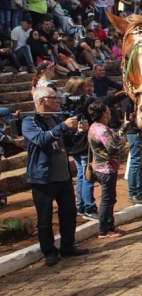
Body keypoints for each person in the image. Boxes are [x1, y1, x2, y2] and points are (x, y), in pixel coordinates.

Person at [23, 87, 90, 266]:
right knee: (44, 218)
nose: (57, 101)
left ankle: (68, 246)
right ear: (42, 100)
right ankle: (49, 251)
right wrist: (64, 126)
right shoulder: (30, 121)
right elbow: (41, 140)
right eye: (53, 98)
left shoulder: (56, 119)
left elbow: (68, 143)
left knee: (68, 213)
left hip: (63, 176)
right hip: (42, 178)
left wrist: (79, 132)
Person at [87, 99, 128, 239]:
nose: (110, 112)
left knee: (110, 199)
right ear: (104, 113)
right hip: (106, 168)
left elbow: (114, 136)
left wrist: (125, 126)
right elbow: (112, 148)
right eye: (108, 110)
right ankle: (103, 230)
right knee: (107, 200)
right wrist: (122, 144)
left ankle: (110, 226)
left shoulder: (97, 126)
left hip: (103, 167)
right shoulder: (101, 129)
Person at [62, 78, 98, 218]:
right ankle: (89, 207)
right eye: (86, 86)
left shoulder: (67, 102)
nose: (89, 88)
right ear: (79, 89)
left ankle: (81, 205)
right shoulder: (85, 103)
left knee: (82, 175)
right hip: (82, 144)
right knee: (87, 175)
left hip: (74, 145)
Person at [120, 96, 142, 204]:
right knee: (135, 162)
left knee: (141, 161)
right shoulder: (127, 99)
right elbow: (129, 118)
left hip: (140, 131)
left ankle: (139, 188)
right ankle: (133, 193)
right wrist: (138, 129)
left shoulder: (137, 98)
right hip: (134, 132)